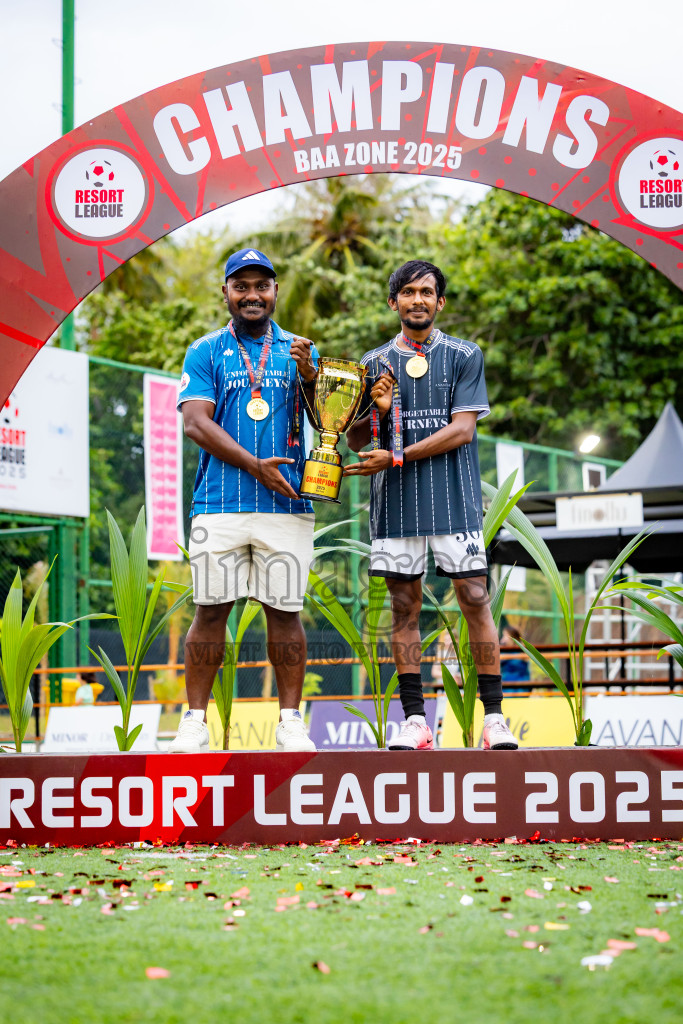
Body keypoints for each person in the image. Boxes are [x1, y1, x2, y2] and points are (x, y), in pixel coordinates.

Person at [345, 259, 518, 751]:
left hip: (454, 498)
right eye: (408, 292)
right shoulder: (373, 361)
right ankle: (416, 721)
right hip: (395, 505)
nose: (417, 300)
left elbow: (463, 429)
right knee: (404, 607)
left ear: (440, 302)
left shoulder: (465, 354)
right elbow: (356, 437)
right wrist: (370, 410)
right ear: (393, 301)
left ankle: (495, 720)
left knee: (474, 599)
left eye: (427, 292)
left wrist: (397, 455)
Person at [170, 248, 319, 754]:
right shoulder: (205, 351)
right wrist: (254, 466)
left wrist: (313, 379)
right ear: (227, 292)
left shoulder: (301, 350)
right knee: (210, 612)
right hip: (220, 503)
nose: (252, 295)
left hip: (288, 504)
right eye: (241, 286)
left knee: (285, 612)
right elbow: (196, 422)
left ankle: (291, 722)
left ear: (276, 291)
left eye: (262, 285)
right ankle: (194, 721)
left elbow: (330, 424)